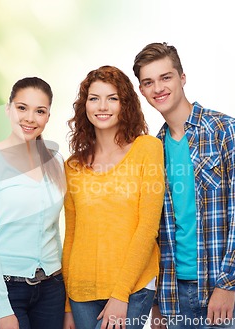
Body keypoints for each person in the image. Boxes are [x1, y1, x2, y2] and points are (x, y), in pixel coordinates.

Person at [132, 42, 235, 329]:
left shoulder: (228, 131)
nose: (158, 88)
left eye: (165, 77)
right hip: (173, 294)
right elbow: (154, 229)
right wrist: (156, 302)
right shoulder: (153, 149)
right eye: (148, 82)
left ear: (182, 78)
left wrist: (227, 285)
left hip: (225, 287)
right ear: (142, 91)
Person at [62, 65, 165, 329]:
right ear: (84, 105)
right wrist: (66, 306)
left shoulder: (148, 149)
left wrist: (121, 293)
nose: (102, 106)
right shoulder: (73, 165)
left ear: (125, 104)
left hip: (132, 287)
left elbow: (148, 227)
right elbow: (71, 234)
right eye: (94, 98)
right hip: (80, 293)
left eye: (112, 98)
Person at [0, 77, 66, 329]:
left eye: (40, 111)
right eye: (22, 108)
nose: (30, 118)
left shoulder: (55, 162)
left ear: (48, 117)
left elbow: (54, 231)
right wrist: (2, 307)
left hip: (52, 288)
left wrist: (65, 299)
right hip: (6, 289)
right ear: (8, 109)